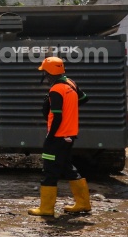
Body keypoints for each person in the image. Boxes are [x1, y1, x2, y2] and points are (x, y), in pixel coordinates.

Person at [28, 56, 91, 216]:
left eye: (45, 73)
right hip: (69, 135)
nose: (45, 77)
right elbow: (84, 98)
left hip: (58, 136)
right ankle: (83, 203)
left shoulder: (56, 89)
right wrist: (70, 107)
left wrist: (50, 137)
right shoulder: (70, 83)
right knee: (66, 166)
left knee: (50, 170)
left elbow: (57, 116)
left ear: (50, 73)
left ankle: (46, 208)